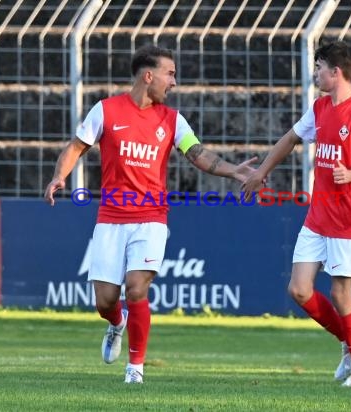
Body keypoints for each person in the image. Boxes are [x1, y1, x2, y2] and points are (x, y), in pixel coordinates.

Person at [44, 44, 256, 384]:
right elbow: (76, 146)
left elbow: (198, 154)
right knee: (105, 301)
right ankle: (116, 324)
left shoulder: (172, 120)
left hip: (151, 218)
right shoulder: (106, 111)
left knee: (137, 289)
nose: (173, 82)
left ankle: (135, 368)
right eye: (169, 74)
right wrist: (59, 176)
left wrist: (233, 172)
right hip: (111, 219)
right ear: (148, 75)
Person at [242, 40, 351, 387]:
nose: (316, 74)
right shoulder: (320, 107)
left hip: (347, 220)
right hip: (317, 218)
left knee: (342, 296)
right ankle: (350, 339)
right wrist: (261, 172)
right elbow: (290, 138)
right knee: (299, 289)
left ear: (336, 72)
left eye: (320, 67)